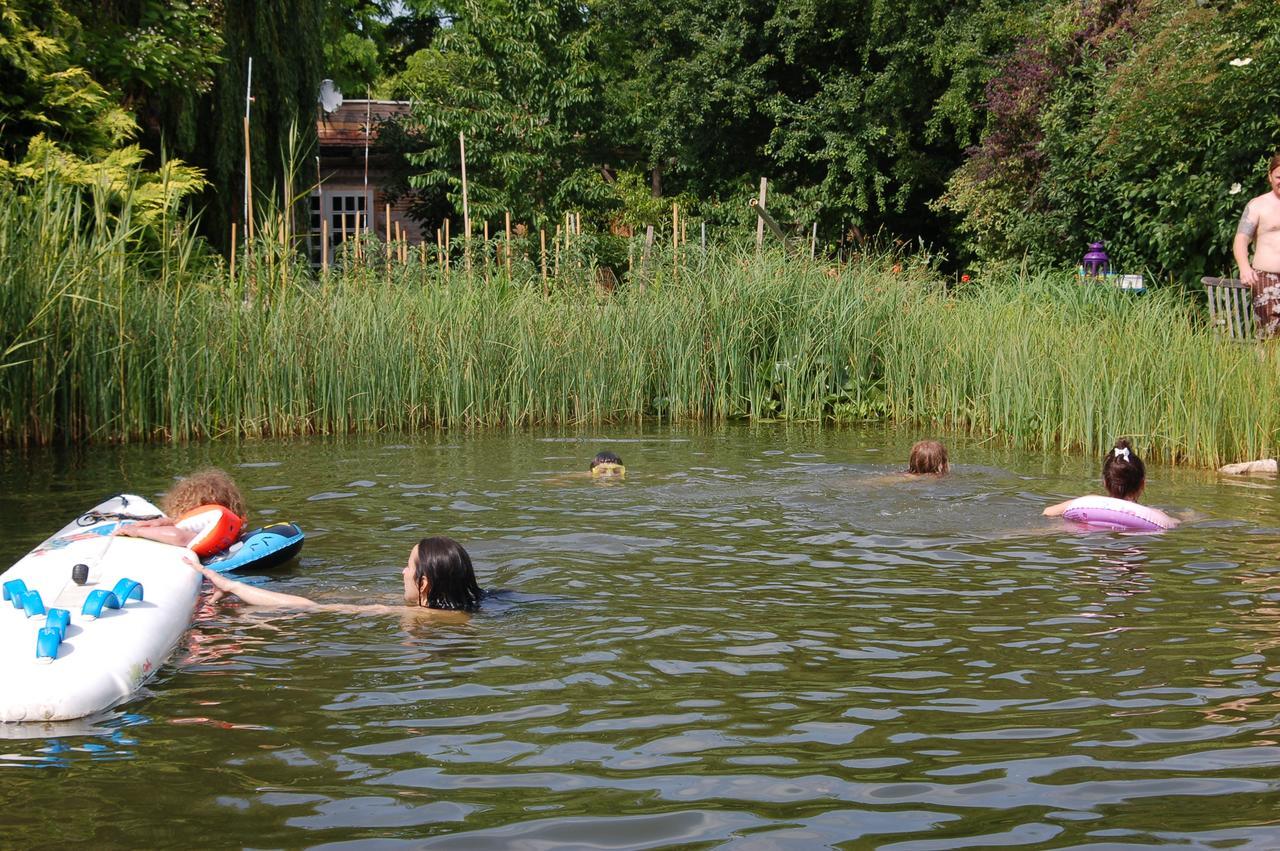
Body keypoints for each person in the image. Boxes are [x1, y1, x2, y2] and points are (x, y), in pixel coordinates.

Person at [198, 535, 482, 616]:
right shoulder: (454, 605)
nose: (402, 571)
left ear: (424, 584)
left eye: (408, 566)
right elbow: (328, 598)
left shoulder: (424, 616)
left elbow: (310, 608)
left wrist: (232, 585)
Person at [1043, 438, 1179, 526]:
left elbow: (1048, 512)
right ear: (1143, 484)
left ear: (1104, 482)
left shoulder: (1090, 501)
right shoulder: (1154, 515)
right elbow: (1171, 524)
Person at [112, 468, 246, 554]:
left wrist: (138, 531)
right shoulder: (227, 524)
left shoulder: (194, 532)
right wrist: (162, 523)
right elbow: (181, 524)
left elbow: (179, 537)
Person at [1233, 152, 1280, 338]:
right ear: (1270, 176)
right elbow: (1240, 240)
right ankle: (1266, 368)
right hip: (1266, 278)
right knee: (1269, 335)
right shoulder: (1258, 205)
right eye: (1278, 177)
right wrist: (1244, 268)